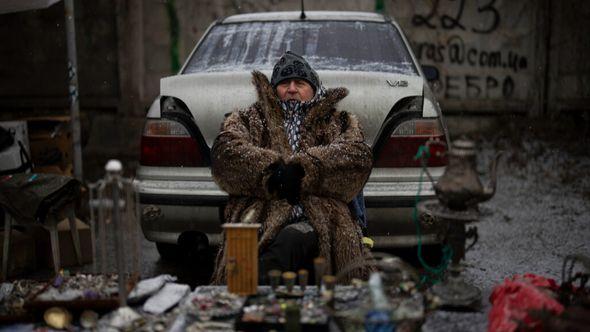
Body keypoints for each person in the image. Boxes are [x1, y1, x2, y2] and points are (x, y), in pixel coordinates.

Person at [211, 51, 373, 284]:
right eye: (285, 83)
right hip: (260, 211)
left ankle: (260, 292)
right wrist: (271, 173)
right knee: (243, 262)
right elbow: (225, 154)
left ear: (314, 88)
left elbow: (356, 158)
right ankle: (246, 301)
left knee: (291, 241)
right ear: (274, 88)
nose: (292, 88)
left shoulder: (338, 122)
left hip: (319, 215)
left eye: (300, 83)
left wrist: (306, 170)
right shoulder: (249, 119)